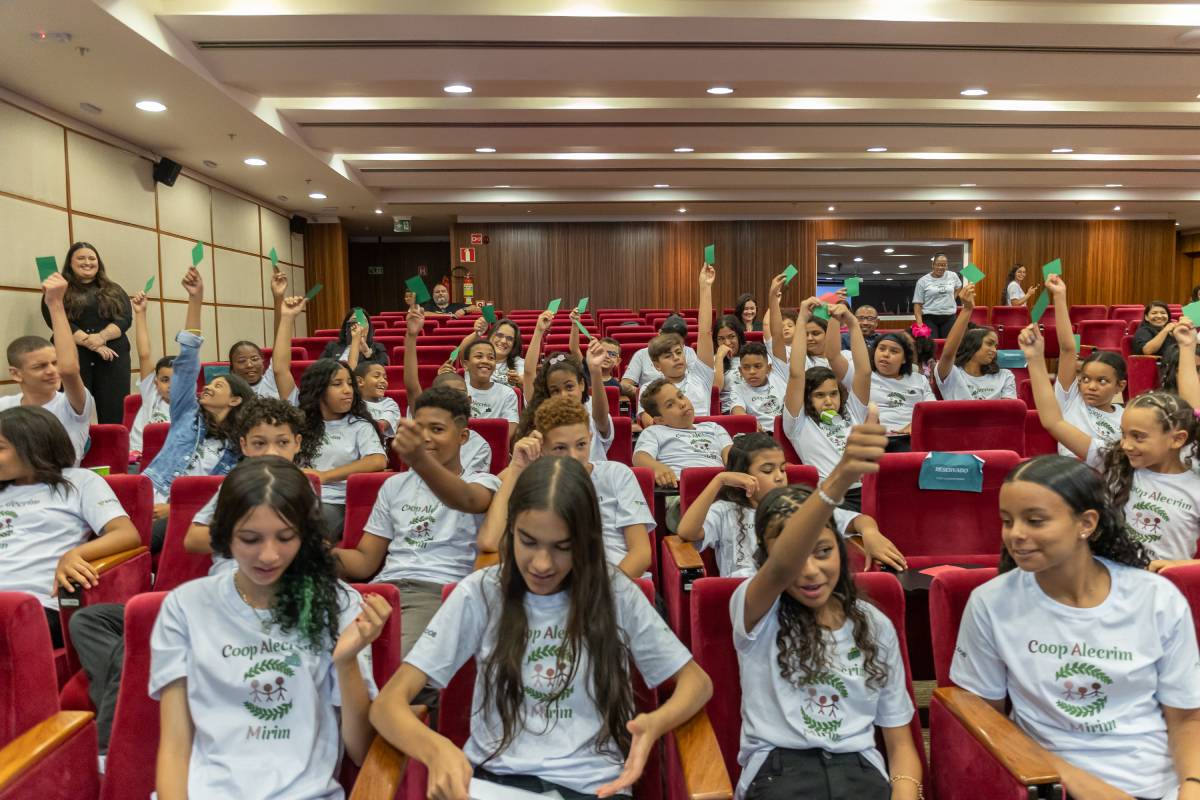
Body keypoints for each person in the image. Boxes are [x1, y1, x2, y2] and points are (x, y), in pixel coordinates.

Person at [368, 456, 713, 799]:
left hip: (594, 786)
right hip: (496, 782)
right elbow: (388, 706)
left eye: (563, 548)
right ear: (510, 529)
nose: (542, 564)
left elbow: (697, 684)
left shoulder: (615, 591)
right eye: (528, 542)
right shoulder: (481, 591)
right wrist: (437, 750)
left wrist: (655, 723)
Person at [950, 455, 1200, 800]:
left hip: (1158, 783)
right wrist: (1079, 784)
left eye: (1035, 520)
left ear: (1086, 523)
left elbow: (1186, 717)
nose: (1016, 535)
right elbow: (988, 726)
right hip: (1051, 783)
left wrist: (1192, 785)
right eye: (1007, 521)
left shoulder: (1156, 598)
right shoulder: (991, 604)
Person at [152, 457, 390, 799]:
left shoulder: (337, 603)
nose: (268, 556)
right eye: (250, 539)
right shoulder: (184, 607)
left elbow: (361, 750)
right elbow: (175, 748)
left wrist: (346, 660)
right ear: (223, 536)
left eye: (285, 538)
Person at [732, 412, 922, 800]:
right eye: (798, 554)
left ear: (840, 550)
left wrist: (905, 792)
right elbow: (784, 565)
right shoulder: (755, 608)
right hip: (779, 773)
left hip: (860, 771)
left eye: (823, 552)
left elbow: (901, 744)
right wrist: (839, 479)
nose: (810, 571)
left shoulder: (872, 623)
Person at [332, 387, 501, 661]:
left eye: (436, 429)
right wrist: (321, 555)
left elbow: (467, 499)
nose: (425, 438)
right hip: (383, 588)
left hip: (437, 591)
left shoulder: (483, 482)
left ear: (463, 436)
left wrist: (419, 460)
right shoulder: (394, 485)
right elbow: (365, 560)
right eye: (419, 429)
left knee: (387, 661)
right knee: (330, 653)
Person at [1020, 323, 1200, 567]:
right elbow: (1053, 421)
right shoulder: (1116, 461)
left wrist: (1187, 349)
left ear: (1178, 439)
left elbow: (1194, 411)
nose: (1126, 445)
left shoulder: (1194, 475)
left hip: (1166, 588)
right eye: (1124, 434)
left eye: (1139, 437)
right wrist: (1034, 359)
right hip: (1110, 581)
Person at [0, 406, 140, 647]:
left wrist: (75, 554)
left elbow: (126, 534)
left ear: (32, 446)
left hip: (37, 604)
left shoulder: (78, 481)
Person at [677, 432, 905, 578]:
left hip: (796, 589)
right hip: (745, 596)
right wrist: (719, 480)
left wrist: (870, 533)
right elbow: (687, 532)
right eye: (767, 470)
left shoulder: (799, 504)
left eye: (783, 469)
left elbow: (857, 520)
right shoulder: (726, 510)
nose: (779, 477)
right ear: (742, 476)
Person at [142, 268, 254, 551]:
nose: (208, 387)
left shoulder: (243, 443)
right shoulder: (186, 413)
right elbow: (188, 359)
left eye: (218, 386)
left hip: (193, 511)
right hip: (150, 494)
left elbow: (226, 494)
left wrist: (175, 507)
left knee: (149, 536)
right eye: (209, 383)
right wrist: (196, 300)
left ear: (235, 400)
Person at [484, 396, 654, 580]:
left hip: (618, 583)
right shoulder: (529, 479)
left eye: (581, 445)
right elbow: (491, 541)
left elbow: (641, 553)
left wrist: (601, 594)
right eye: (560, 448)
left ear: (590, 438)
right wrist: (516, 466)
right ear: (541, 448)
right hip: (553, 588)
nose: (573, 456)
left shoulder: (617, 474)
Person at [783, 300, 874, 512]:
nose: (828, 400)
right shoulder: (798, 424)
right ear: (807, 399)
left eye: (833, 393)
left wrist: (852, 323)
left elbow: (864, 372)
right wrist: (802, 319)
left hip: (869, 488)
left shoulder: (852, 412)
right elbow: (796, 374)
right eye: (819, 395)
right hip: (832, 497)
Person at [3, 273, 96, 466]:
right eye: (40, 366)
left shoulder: (71, 405)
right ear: (16, 373)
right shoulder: (5, 407)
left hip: (58, 488)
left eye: (54, 363)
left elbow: (69, 370)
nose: (52, 371)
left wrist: (55, 304)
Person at [39, 243, 131, 424]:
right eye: (81, 258)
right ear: (70, 263)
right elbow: (55, 320)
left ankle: (114, 450)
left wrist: (101, 337)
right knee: (72, 412)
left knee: (115, 412)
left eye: (92, 258)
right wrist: (92, 343)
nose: (87, 262)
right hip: (73, 356)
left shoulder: (115, 289)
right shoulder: (58, 290)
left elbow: (125, 318)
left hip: (112, 356)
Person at [401, 306, 495, 475]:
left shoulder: (478, 444)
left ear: (469, 401)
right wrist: (411, 336)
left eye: (457, 394)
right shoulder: (424, 429)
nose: (451, 400)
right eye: (444, 394)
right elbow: (412, 386)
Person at [831, 303, 934, 453]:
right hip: (873, 440)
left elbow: (931, 411)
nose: (886, 354)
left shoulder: (919, 380)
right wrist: (835, 319)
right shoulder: (861, 376)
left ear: (905, 359)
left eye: (894, 351)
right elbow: (833, 356)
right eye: (881, 349)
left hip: (911, 438)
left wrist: (914, 426)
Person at [1044, 275, 1127, 458]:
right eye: (1085, 379)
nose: (1091, 386)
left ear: (1120, 386)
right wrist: (1059, 296)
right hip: (1073, 477)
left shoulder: (1126, 416)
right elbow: (1067, 349)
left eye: (1102, 381)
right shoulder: (1072, 399)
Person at [636, 265, 718, 427]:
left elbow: (705, 332)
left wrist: (705, 287)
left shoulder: (701, 377)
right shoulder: (650, 388)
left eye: (678, 352)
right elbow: (650, 423)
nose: (676, 358)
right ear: (657, 365)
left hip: (704, 440)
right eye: (668, 356)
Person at [512, 344, 613, 462]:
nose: (563, 395)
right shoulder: (544, 415)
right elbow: (529, 372)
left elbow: (601, 419)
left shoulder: (592, 407)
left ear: (581, 384)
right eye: (555, 390)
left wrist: (596, 371)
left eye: (569, 387)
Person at [934, 282, 1017, 400]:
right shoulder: (951, 373)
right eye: (989, 343)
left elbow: (1006, 413)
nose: (994, 350)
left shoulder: (1005, 375)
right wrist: (967, 309)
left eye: (996, 346)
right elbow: (948, 353)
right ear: (971, 344)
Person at [227, 270, 296, 403]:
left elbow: (279, 338)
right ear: (232, 368)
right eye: (241, 361)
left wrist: (278, 297)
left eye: (254, 359)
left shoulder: (272, 380)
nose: (249, 365)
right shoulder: (228, 392)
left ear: (263, 362)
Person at [128, 289, 173, 462]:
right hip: (139, 459)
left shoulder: (191, 406)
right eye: (165, 380)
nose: (171, 385)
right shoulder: (151, 394)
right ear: (155, 382)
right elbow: (144, 354)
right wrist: (140, 313)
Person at [619, 314, 699, 393]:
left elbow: (697, 381)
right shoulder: (641, 354)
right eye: (670, 337)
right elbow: (625, 384)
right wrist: (648, 395)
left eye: (680, 338)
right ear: (660, 333)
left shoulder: (689, 352)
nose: (674, 341)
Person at [727, 342, 787, 432]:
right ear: (740, 371)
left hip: (784, 432)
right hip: (757, 434)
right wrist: (750, 422)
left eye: (757, 366)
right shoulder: (737, 389)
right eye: (746, 367)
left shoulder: (780, 380)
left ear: (768, 368)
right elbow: (737, 409)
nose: (752, 372)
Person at [911, 252, 962, 338]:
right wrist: (920, 324)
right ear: (933, 265)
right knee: (932, 346)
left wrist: (953, 297)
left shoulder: (953, 276)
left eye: (943, 265)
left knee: (949, 344)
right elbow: (917, 304)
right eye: (938, 264)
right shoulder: (922, 281)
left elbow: (959, 286)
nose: (941, 267)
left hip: (949, 316)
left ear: (947, 266)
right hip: (929, 317)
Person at [320, 309, 389, 366]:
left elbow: (382, 371)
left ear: (368, 328)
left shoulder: (377, 348)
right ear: (346, 328)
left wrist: (367, 353)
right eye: (354, 321)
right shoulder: (332, 346)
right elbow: (321, 368)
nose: (359, 326)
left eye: (363, 322)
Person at [353, 361, 400, 437]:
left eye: (385, 378)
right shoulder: (351, 402)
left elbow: (381, 426)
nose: (383, 381)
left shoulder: (389, 404)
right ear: (360, 381)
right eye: (376, 376)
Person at [713, 315, 747, 414]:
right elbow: (716, 390)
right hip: (728, 411)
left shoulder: (750, 354)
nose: (727, 343)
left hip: (754, 406)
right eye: (721, 339)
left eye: (731, 337)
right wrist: (719, 358)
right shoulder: (713, 360)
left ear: (739, 337)